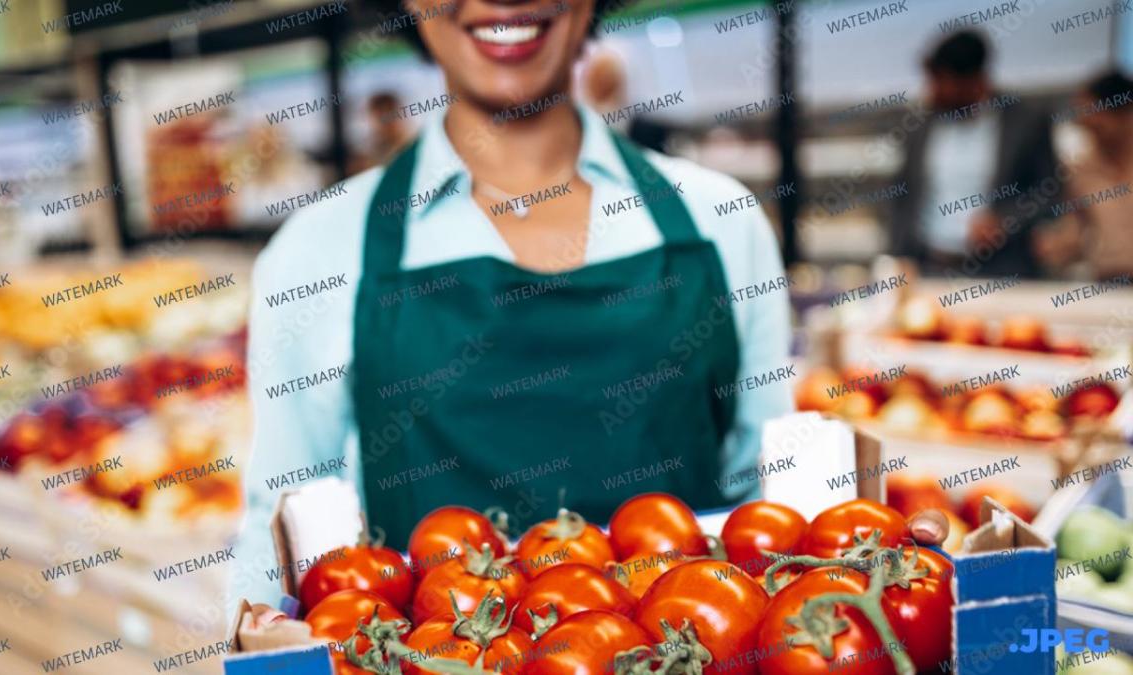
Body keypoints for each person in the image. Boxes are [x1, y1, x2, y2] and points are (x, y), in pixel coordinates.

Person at [227, 0, 943, 613]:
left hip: (690, 641)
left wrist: (870, 564)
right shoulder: (318, 250)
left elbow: (769, 494)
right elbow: (283, 531)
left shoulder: (719, 220)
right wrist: (259, 635)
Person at [888, 31, 1057, 278]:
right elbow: (901, 195)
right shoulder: (920, 126)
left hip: (1000, 272)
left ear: (975, 81)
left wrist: (1006, 220)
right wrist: (897, 257)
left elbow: (1050, 191)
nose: (932, 91)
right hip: (929, 270)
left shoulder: (1026, 122)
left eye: (941, 82)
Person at [1033, 70, 1133, 281]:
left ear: (1125, 113)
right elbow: (1076, 231)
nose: (1091, 130)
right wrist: (1056, 245)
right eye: (1086, 124)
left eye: (1099, 124)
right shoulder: (1079, 171)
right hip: (1110, 283)